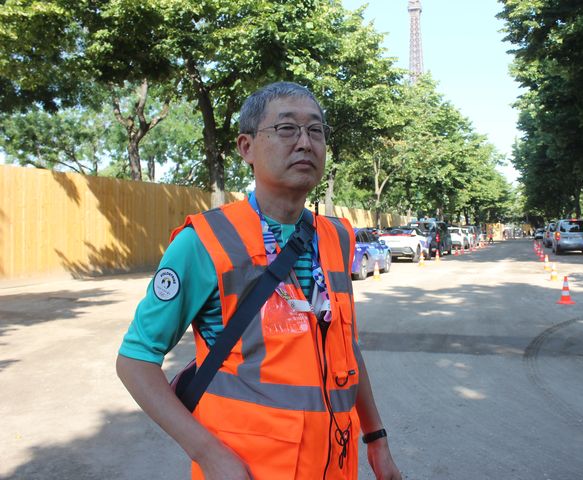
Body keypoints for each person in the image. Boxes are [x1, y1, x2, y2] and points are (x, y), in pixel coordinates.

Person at [116, 82, 402, 480]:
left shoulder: (337, 237)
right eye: (286, 129)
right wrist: (209, 455)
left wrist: (377, 439)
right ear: (246, 147)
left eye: (315, 130)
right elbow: (135, 360)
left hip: (335, 467)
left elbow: (345, 347)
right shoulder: (205, 242)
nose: (305, 142)